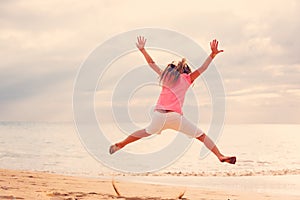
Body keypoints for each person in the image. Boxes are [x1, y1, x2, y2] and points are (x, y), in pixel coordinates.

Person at [109, 36, 236, 164]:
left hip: (158, 116)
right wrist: (212, 54)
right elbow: (203, 68)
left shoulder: (166, 77)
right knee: (201, 136)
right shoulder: (187, 79)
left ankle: (122, 144)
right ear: (186, 72)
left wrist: (143, 50)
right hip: (175, 118)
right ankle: (220, 156)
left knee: (145, 132)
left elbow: (151, 64)